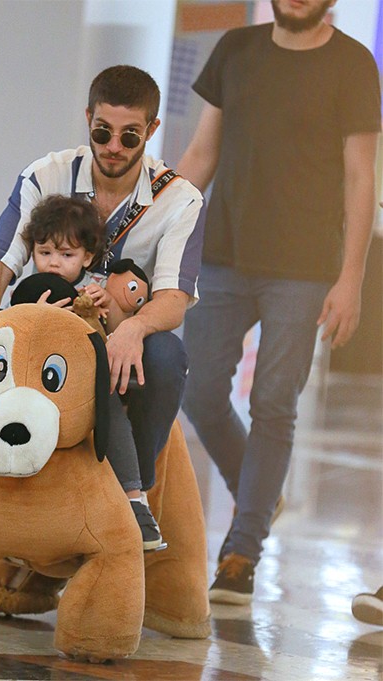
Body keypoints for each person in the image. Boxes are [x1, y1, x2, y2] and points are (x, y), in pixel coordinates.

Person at [0, 64, 205, 518]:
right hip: (41, 326)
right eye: (103, 132)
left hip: (112, 335)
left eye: (130, 136)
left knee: (166, 357)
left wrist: (133, 329)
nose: (113, 147)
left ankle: (131, 498)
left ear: (152, 130)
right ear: (88, 120)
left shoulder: (180, 200)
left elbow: (174, 298)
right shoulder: (47, 175)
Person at [177, 0, 381, 605]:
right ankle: (258, 490)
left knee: (273, 402)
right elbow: (199, 156)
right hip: (223, 253)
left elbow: (360, 177)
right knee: (199, 388)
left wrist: (351, 280)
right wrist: (156, 238)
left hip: (305, 268)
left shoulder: (354, 64)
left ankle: (242, 550)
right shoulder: (234, 52)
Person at [16, 194, 163, 550]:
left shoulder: (96, 286)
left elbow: (116, 331)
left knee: (108, 400)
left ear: (87, 257)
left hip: (84, 382)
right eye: (45, 253)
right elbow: (13, 333)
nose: (53, 263)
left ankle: (133, 497)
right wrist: (31, 315)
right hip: (37, 384)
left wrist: (107, 306)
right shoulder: (30, 289)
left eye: (66, 256)